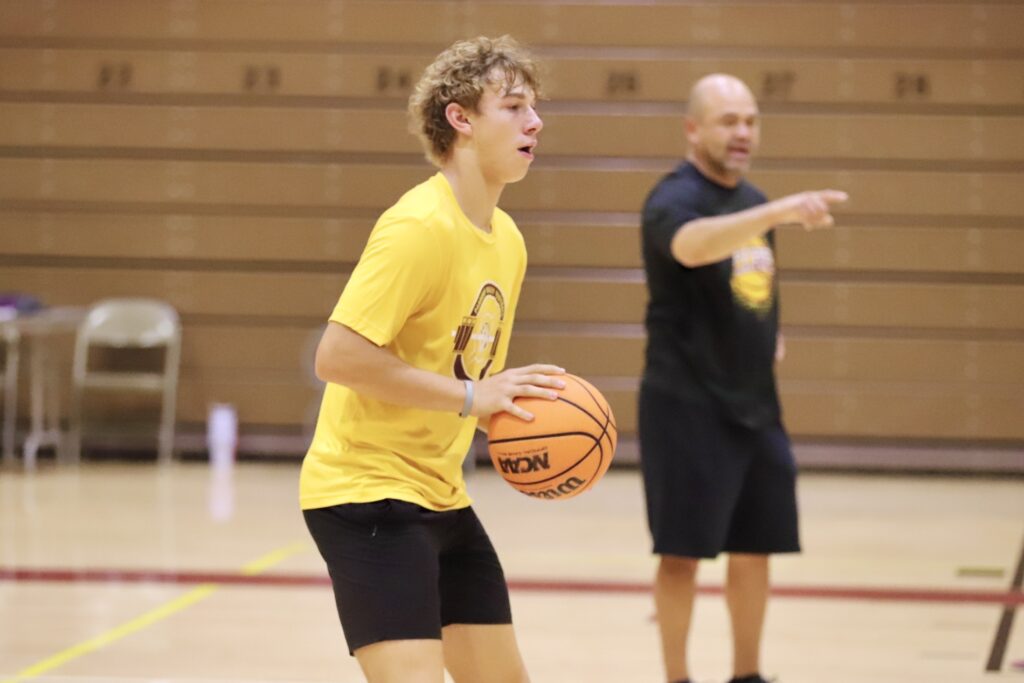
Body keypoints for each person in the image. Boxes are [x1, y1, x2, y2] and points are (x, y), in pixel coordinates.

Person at [300, 36, 563, 683]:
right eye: (514, 107)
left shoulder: (508, 241)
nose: (534, 122)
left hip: (442, 495)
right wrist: (474, 398)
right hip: (366, 495)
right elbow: (337, 356)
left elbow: (457, 375)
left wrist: (509, 415)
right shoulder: (418, 226)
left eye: (534, 108)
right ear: (460, 118)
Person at [637, 73, 848, 683]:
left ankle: (747, 675)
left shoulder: (753, 200)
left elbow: (752, 287)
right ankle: (677, 677)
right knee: (681, 554)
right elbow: (693, 248)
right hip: (685, 405)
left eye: (751, 121)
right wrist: (778, 210)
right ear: (692, 129)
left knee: (756, 546)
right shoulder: (673, 198)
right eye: (728, 120)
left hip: (755, 405)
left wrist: (766, 334)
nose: (743, 132)